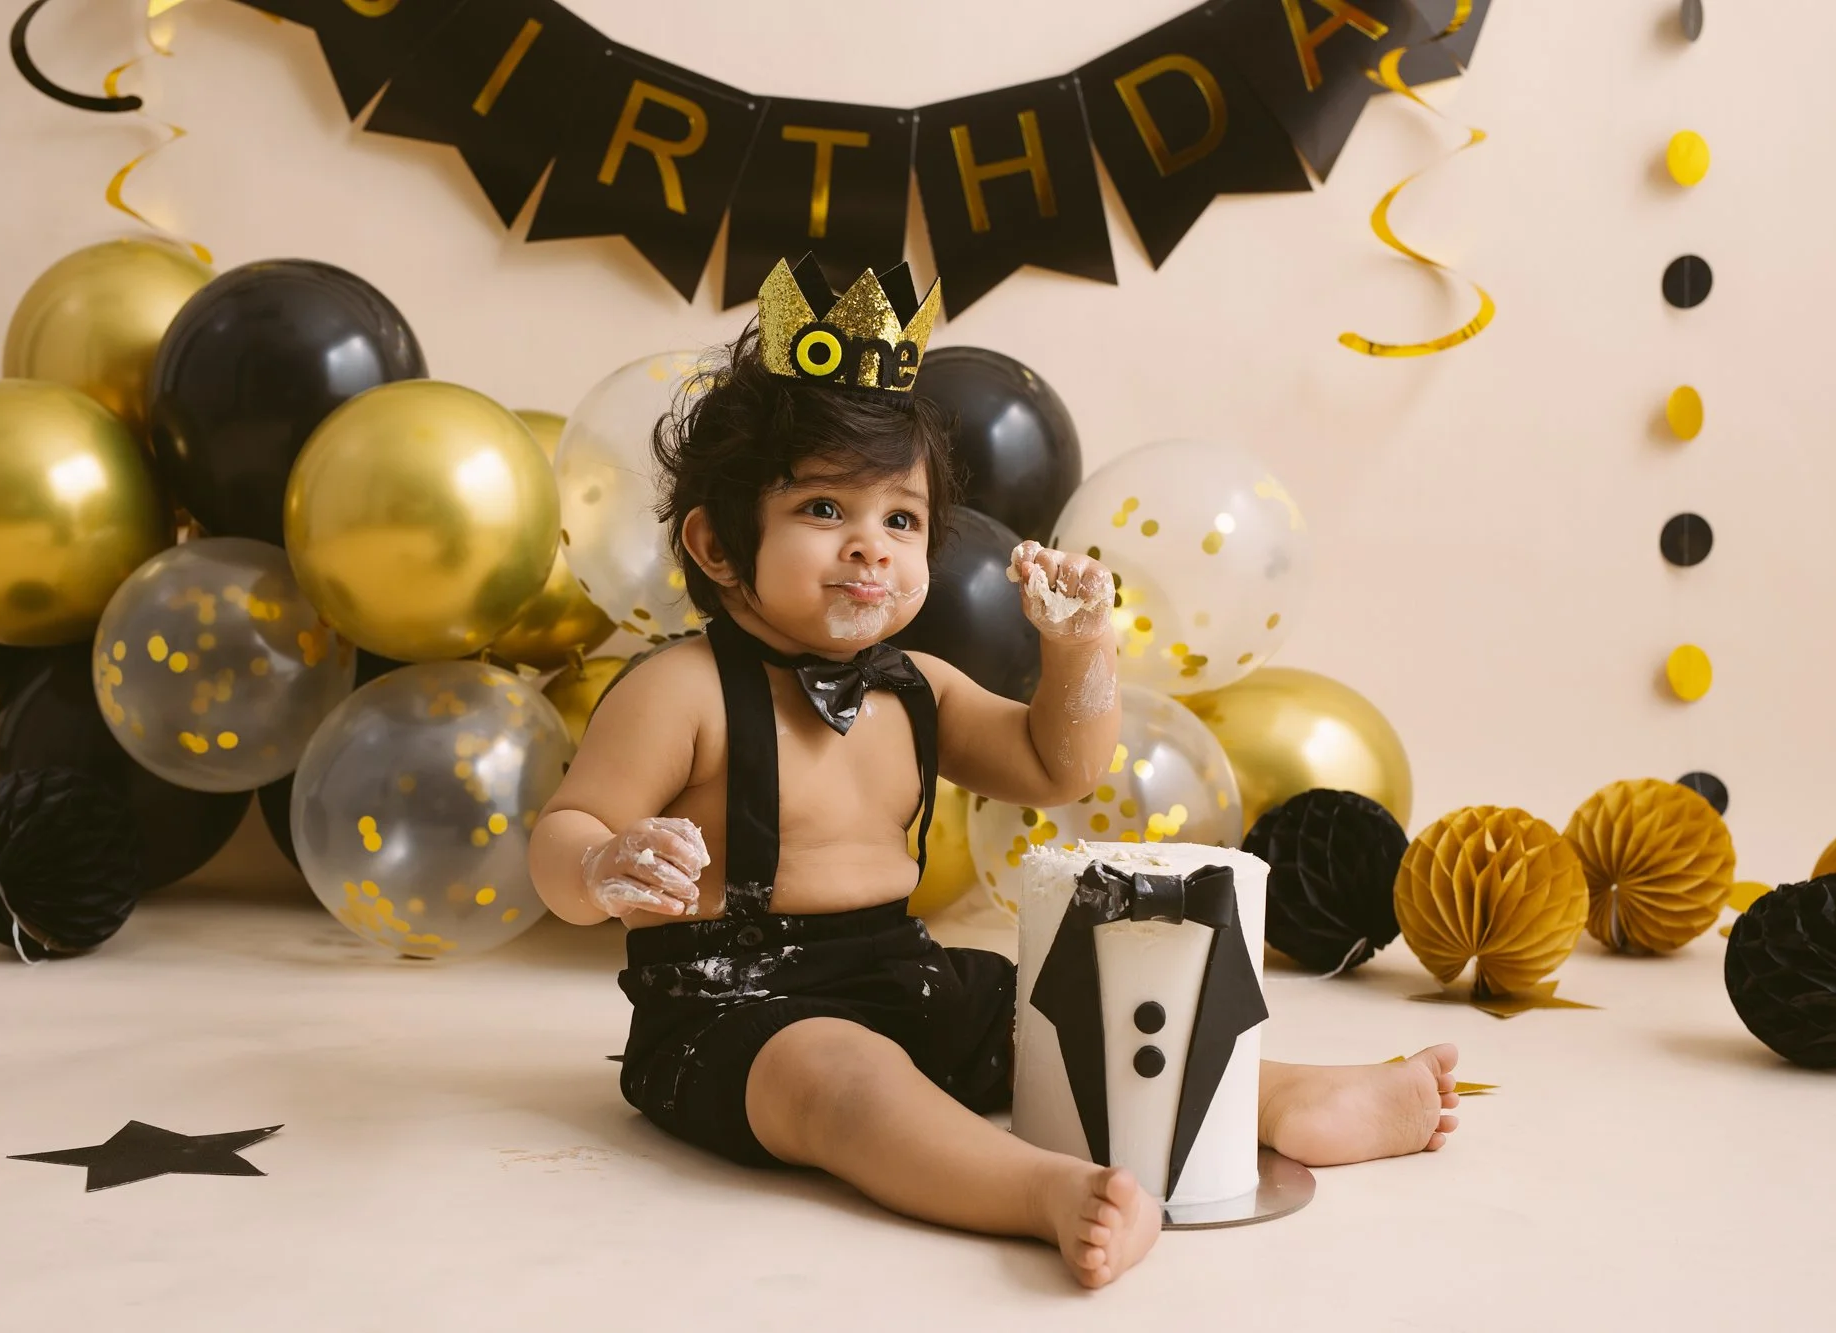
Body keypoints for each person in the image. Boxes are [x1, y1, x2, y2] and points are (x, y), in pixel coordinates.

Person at [529, 256, 1460, 1290]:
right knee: (843, 1081)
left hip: (903, 971)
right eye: (824, 511)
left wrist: (1076, 652)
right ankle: (1038, 1189)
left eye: (900, 518)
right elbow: (566, 829)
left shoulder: (915, 685)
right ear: (714, 542)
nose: (869, 549)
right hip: (729, 1006)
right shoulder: (680, 690)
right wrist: (604, 862)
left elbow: (1056, 765)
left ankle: (1278, 1097)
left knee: (1068, 1012)